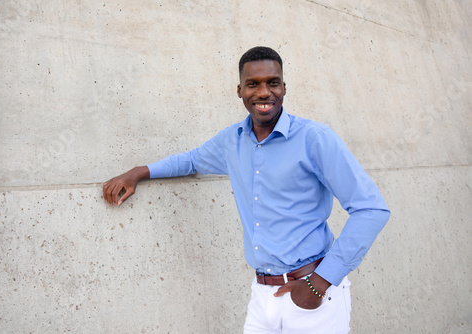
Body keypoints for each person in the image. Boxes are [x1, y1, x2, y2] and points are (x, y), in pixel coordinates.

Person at [103, 46, 390, 333]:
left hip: (312, 293)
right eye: (254, 84)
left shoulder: (315, 139)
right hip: (262, 295)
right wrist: (140, 171)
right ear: (240, 90)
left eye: (272, 83)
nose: (264, 92)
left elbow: (371, 210)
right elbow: (191, 161)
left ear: (284, 87)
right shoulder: (233, 140)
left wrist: (321, 281)